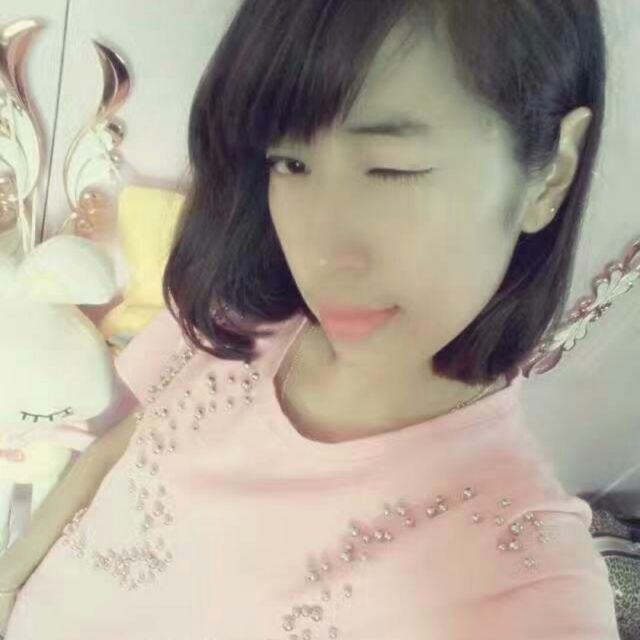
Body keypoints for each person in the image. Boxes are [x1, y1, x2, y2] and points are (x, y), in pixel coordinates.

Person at [0, 0, 621, 638]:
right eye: (290, 163)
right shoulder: (240, 318)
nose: (321, 254)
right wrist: (10, 580)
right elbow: (123, 447)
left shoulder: (524, 581)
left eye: (391, 170)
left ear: (552, 173)